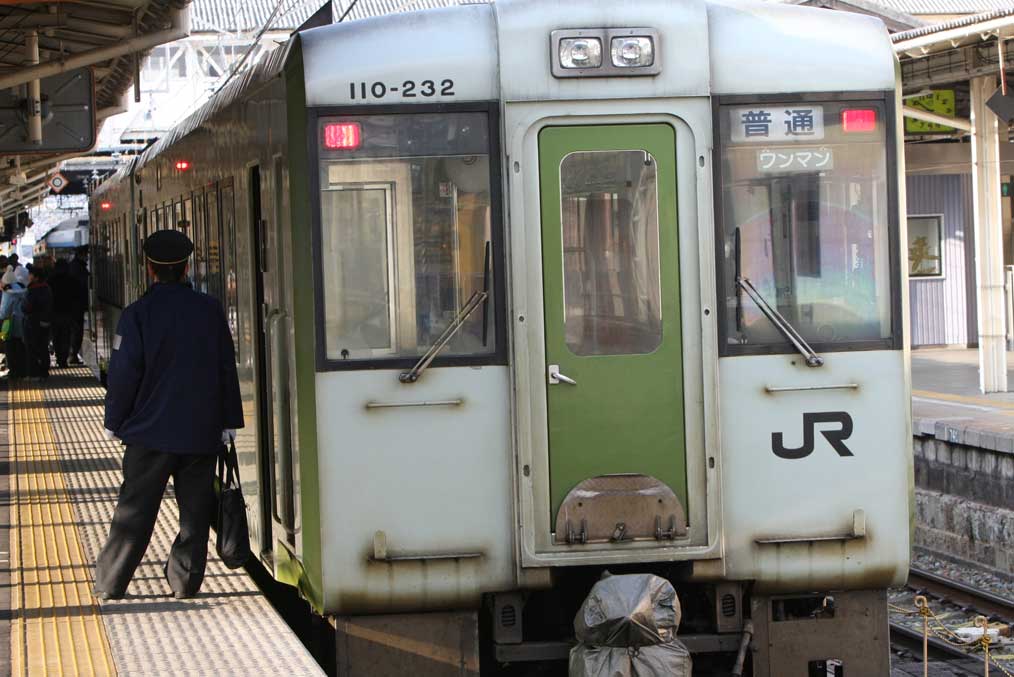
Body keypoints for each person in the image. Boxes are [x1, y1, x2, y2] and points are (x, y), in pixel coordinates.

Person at [94, 230, 244, 600]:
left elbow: (124, 373)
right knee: (194, 514)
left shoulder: (137, 315)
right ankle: (185, 583)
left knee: (134, 512)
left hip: (149, 435)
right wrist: (229, 421)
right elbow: (226, 366)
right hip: (200, 432)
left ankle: (111, 582)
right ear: (187, 267)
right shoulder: (209, 310)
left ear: (149, 269)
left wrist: (114, 421)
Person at [48, 259, 81, 368]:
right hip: (68, 313)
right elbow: (77, 297)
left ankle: (59, 358)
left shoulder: (51, 280)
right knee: (66, 337)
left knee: (56, 337)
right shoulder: (72, 280)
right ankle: (63, 359)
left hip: (54, 313)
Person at [22, 265, 53, 380]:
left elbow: (27, 307)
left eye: (30, 274)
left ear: (36, 277)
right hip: (44, 322)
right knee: (43, 346)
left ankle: (34, 373)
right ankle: (44, 372)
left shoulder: (33, 290)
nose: (28, 276)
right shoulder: (47, 288)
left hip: (32, 323)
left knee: (32, 348)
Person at [0, 270, 28, 378]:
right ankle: (23, 370)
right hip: (23, 323)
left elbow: (4, 312)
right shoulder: (22, 289)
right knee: (21, 346)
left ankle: (13, 371)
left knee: (10, 347)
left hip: (9, 325)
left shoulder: (8, 293)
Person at [67, 246, 89, 365]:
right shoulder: (79, 268)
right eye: (86, 254)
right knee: (76, 330)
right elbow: (82, 285)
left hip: (73, 304)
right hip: (77, 304)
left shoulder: (73, 266)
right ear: (81, 255)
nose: (87, 257)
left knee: (74, 330)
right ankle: (72, 355)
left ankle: (71, 355)